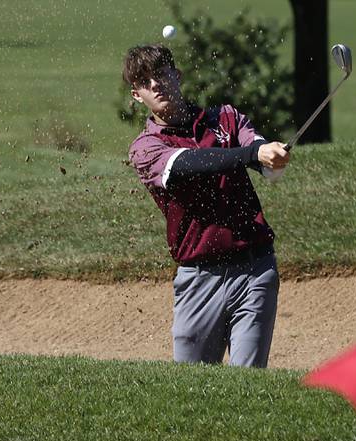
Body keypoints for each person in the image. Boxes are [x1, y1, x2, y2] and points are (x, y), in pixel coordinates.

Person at [123, 44, 290, 368]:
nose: (156, 84)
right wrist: (250, 155)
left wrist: (270, 155)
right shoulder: (145, 148)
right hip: (198, 279)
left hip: (255, 269)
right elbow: (191, 163)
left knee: (248, 386)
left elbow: (258, 154)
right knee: (192, 390)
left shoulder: (226, 118)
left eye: (160, 73)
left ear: (177, 75)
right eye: (145, 81)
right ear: (136, 95)